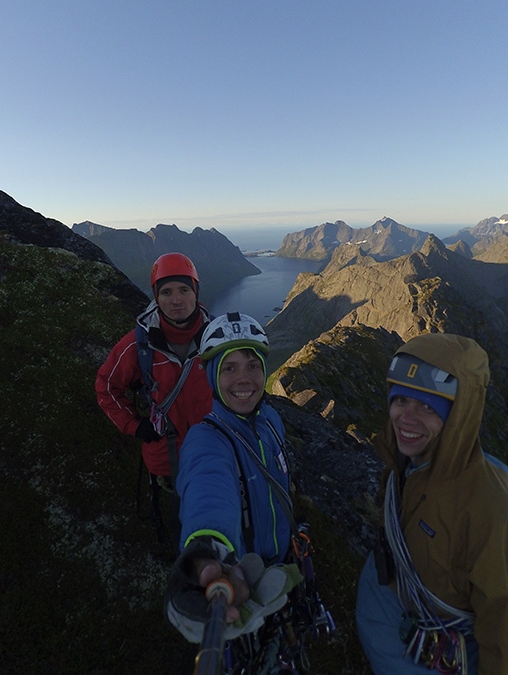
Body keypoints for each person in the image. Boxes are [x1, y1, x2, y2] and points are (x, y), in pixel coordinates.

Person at [356, 332, 508, 675]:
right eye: (401, 401)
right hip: (404, 592)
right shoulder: (407, 461)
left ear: (457, 417)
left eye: (428, 406)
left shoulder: (497, 512)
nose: (407, 418)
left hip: (450, 628)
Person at [165, 312, 331, 672]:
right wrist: (208, 550)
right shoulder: (206, 440)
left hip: (284, 561)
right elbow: (208, 489)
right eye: (229, 368)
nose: (244, 379)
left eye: (253, 366)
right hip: (243, 577)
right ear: (212, 377)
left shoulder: (270, 420)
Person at [95, 252, 212, 542]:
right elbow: (106, 387)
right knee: (180, 525)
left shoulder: (216, 338)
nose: (176, 300)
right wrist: (134, 426)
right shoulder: (138, 345)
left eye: (184, 290)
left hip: (214, 450)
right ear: (156, 298)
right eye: (167, 292)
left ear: (195, 292)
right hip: (167, 457)